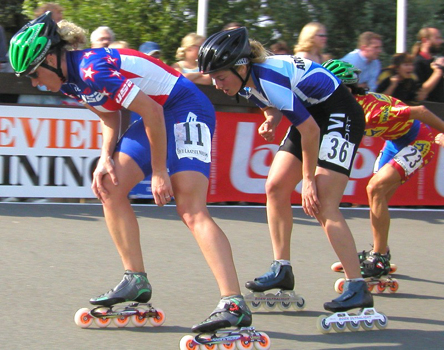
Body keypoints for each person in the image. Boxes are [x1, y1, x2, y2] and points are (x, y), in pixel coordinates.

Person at [9, 11, 252, 333]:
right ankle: (134, 280)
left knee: (190, 208)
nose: (35, 82)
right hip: (157, 114)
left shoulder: (92, 70)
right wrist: (105, 157)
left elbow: (150, 110)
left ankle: (233, 302)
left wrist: (160, 170)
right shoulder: (70, 81)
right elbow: (110, 116)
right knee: (110, 187)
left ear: (51, 58)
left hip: (185, 106)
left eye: (34, 73)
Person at [199, 27, 375, 313]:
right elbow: (272, 106)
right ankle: (282, 269)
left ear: (241, 66)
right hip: (314, 113)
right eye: (213, 79)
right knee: (276, 187)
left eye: (220, 77)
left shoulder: (268, 77)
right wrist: (270, 119)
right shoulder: (245, 80)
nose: (217, 85)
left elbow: (310, 130)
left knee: (323, 202)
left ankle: (357, 285)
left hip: (340, 114)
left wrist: (307, 179)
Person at [323, 59, 443, 276]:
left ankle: (379, 257)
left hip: (419, 139)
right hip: (395, 141)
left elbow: (421, 111)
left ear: (346, 90)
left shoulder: (372, 112)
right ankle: (380, 252)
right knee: (379, 198)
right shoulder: (349, 105)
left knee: (375, 189)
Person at [411, 27, 444, 103]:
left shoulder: (435, 61)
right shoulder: (417, 62)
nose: (441, 41)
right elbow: (419, 93)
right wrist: (438, 72)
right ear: (424, 40)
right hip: (428, 109)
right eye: (437, 38)